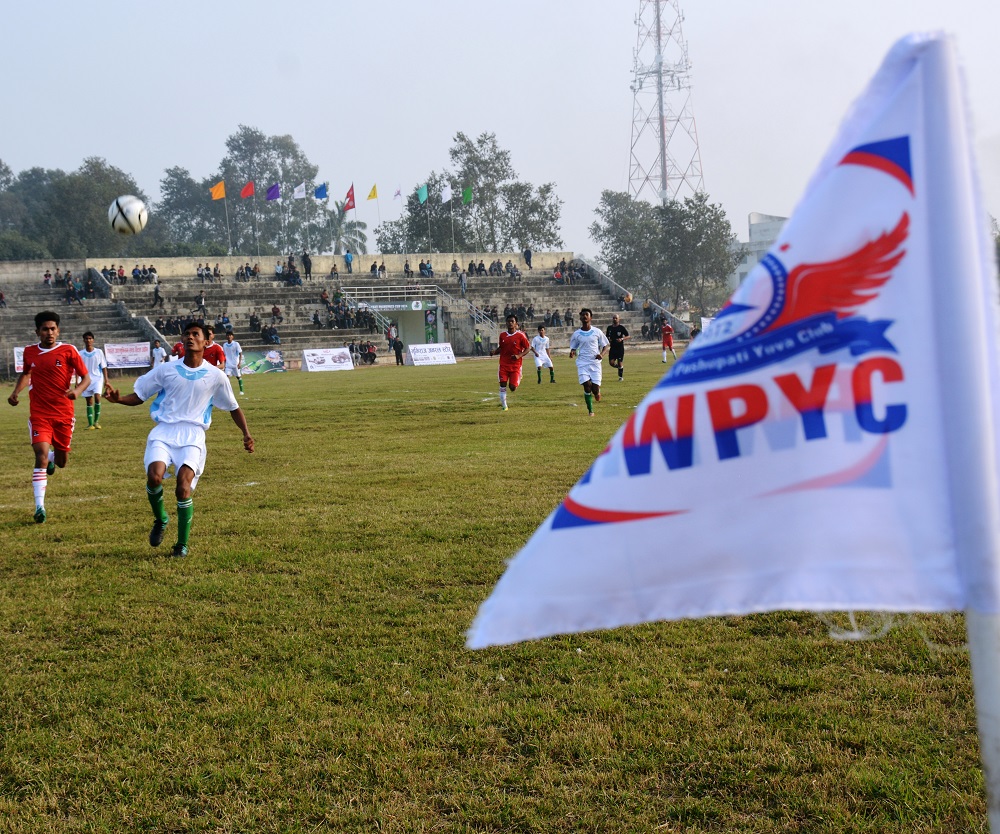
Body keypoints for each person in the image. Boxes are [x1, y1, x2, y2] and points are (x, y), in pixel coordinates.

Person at [106, 322, 254, 558]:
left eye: (196, 334)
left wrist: (246, 433)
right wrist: (119, 399)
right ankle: (161, 519)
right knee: (154, 476)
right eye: (187, 334)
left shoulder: (215, 376)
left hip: (193, 436)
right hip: (164, 431)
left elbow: (233, 407)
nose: (190, 337)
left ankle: (181, 544)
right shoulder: (166, 370)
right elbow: (140, 395)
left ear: (207, 341)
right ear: (182, 340)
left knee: (183, 488)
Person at [7, 311, 91, 523]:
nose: (49, 333)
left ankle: (54, 458)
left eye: (53, 329)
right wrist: (16, 392)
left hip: (64, 414)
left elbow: (86, 378)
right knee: (40, 455)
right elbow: (26, 373)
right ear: (37, 332)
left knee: (61, 462)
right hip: (40, 414)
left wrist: (77, 391)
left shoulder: (68, 350)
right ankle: (39, 507)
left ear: (58, 331)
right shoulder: (30, 352)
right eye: (45, 329)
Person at [569, 308, 610, 417]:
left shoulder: (597, 332)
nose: (584, 316)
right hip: (582, 363)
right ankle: (591, 411)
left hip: (595, 363)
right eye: (582, 315)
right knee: (587, 386)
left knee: (595, 389)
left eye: (586, 314)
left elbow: (606, 346)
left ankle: (597, 392)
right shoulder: (577, 334)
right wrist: (572, 352)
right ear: (580, 318)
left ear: (591, 317)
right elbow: (573, 347)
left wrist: (601, 355)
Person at [490, 314, 531, 411]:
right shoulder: (502, 335)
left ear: (516, 323)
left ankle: (519, 376)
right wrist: (494, 352)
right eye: (508, 321)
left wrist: (519, 356)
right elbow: (501, 348)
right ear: (506, 323)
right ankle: (504, 406)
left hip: (516, 365)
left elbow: (528, 348)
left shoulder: (520, 335)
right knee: (502, 384)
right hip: (503, 364)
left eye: (512, 321)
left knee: (512, 387)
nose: (510, 323)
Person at [79, 331, 110, 429]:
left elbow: (104, 367)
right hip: (86, 379)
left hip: (98, 378)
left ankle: (96, 422)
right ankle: (90, 424)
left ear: (93, 340)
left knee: (97, 398)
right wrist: (77, 381)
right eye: (86, 339)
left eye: (90, 338)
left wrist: (106, 380)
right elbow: (78, 368)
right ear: (84, 340)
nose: (88, 340)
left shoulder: (99, 352)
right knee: (89, 401)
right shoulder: (80, 354)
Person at [605, 313, 630, 382]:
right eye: (614, 318)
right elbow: (607, 336)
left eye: (616, 318)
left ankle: (620, 377)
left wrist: (622, 339)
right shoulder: (609, 328)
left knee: (620, 362)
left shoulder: (621, 328)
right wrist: (608, 339)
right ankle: (619, 368)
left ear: (619, 319)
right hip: (612, 347)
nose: (615, 319)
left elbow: (628, 336)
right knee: (611, 363)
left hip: (620, 348)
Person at [223, 331, 245, 396]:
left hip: (235, 364)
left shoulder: (236, 344)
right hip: (228, 364)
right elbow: (224, 355)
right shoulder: (224, 345)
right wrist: (224, 364)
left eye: (230, 335)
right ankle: (228, 392)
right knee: (226, 378)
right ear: (226, 337)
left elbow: (240, 353)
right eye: (228, 335)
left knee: (238, 377)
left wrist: (239, 363)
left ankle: (241, 390)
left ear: (233, 336)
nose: (229, 336)